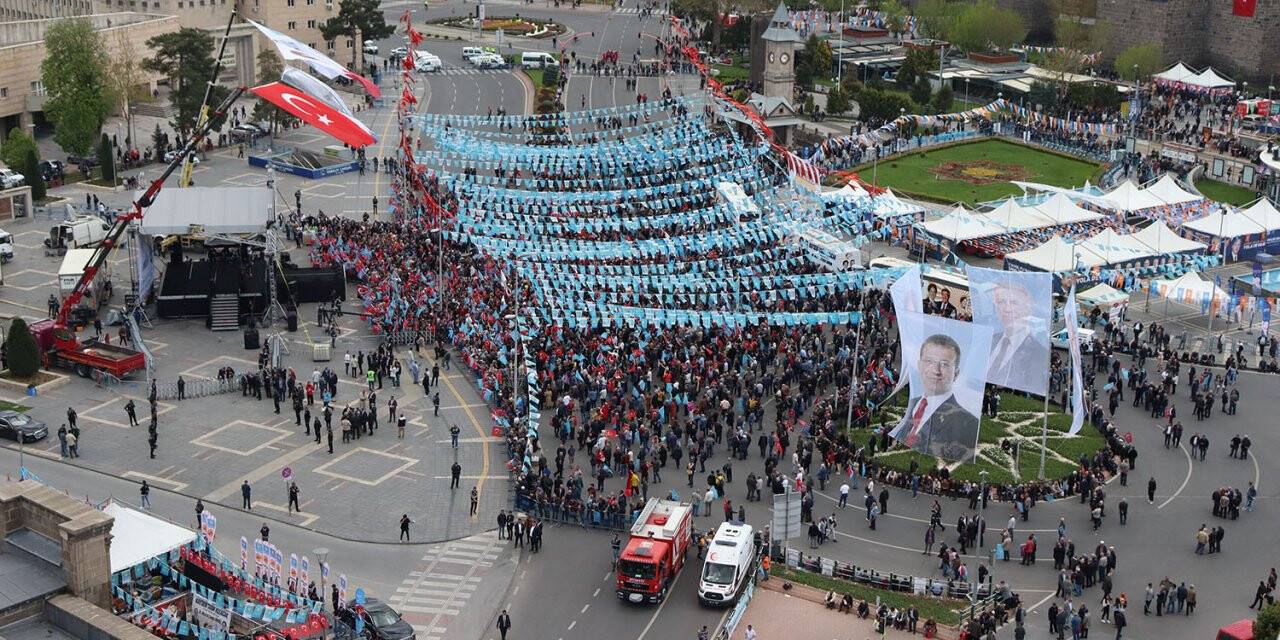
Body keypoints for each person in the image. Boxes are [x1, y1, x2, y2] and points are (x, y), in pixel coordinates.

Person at [889, 334, 980, 460]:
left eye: (944, 364)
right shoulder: (912, 403)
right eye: (929, 362)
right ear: (920, 366)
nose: (936, 370)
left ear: (956, 374)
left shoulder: (969, 424)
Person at [983, 279, 1050, 392]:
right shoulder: (989, 340)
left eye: (1014, 303)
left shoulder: (1038, 351)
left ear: (1028, 307)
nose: (1007, 309)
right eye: (1001, 302)